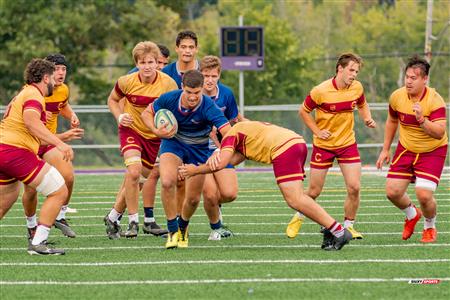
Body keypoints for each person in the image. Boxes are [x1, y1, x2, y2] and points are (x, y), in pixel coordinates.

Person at [179, 121, 353, 251]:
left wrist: (194, 170)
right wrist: (209, 163)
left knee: (295, 199)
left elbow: (222, 161)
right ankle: (331, 229)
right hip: (296, 143)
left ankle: (338, 230)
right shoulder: (244, 130)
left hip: (284, 149)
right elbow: (229, 161)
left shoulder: (231, 135)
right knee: (298, 197)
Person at [286, 53, 376, 241]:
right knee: (314, 191)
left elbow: (362, 104)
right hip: (324, 146)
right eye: (351, 70)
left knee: (354, 188)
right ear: (340, 69)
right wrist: (317, 131)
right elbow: (303, 111)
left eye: (357, 71)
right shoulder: (320, 91)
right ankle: (299, 216)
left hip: (347, 144)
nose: (354, 74)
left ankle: (349, 226)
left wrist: (367, 118)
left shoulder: (357, 87)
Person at [141, 70, 231, 249]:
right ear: (182, 87)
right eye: (188, 92)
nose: (192, 97)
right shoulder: (169, 98)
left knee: (193, 200)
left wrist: (220, 151)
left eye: (196, 93)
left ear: (202, 90)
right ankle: (173, 231)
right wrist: (156, 130)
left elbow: (227, 131)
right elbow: (146, 113)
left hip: (198, 149)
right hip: (173, 143)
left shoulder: (208, 107)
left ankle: (183, 226)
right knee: (167, 182)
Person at [104, 41, 177, 239]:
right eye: (142, 62)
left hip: (154, 137)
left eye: (151, 62)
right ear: (136, 63)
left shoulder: (168, 84)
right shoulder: (126, 81)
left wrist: (169, 129)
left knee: (139, 180)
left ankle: (112, 217)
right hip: (131, 131)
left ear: (157, 63)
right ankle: (134, 221)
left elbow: (172, 110)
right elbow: (112, 100)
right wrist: (120, 116)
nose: (147, 66)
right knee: (134, 172)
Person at [0, 58, 74, 255]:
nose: (54, 83)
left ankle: (36, 239)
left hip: (4, 150)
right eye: (52, 77)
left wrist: (59, 138)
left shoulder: (24, 93)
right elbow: (31, 122)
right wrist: (60, 143)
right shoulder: (34, 94)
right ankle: (38, 242)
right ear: (46, 77)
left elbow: (33, 135)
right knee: (59, 190)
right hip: (14, 152)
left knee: (6, 199)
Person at [376, 55, 447, 243]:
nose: (408, 81)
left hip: (432, 151)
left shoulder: (435, 101)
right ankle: (411, 214)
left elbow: (439, 133)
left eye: (413, 78)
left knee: (424, 195)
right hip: (406, 149)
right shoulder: (397, 96)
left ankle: (429, 226)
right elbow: (392, 120)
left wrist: (422, 120)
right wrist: (385, 149)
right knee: (392, 192)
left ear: (425, 79)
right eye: (407, 76)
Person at [21, 53, 84, 241]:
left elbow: (62, 105)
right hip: (31, 143)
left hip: (49, 143)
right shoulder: (33, 90)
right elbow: (26, 115)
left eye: (64, 69)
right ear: (47, 74)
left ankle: (60, 215)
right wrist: (41, 115)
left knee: (69, 176)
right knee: (31, 190)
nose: (61, 73)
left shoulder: (63, 89)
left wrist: (71, 114)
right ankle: (31, 225)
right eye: (56, 69)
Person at [200, 55, 247, 240]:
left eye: (213, 76)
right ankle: (216, 227)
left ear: (219, 75)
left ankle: (212, 206)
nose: (209, 80)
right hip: (198, 151)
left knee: (229, 194)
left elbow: (233, 121)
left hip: (220, 149)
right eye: (205, 76)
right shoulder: (192, 93)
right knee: (210, 195)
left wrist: (221, 144)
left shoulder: (226, 94)